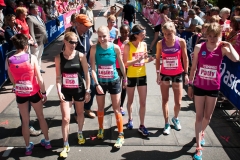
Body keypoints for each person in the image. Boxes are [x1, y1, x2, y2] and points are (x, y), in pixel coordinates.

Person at [187, 22, 239, 160]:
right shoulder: (199, 47)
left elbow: (236, 58)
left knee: (207, 117)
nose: (211, 39)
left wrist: (229, 45)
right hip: (199, 85)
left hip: (213, 87)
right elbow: (193, 68)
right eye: (209, 36)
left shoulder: (222, 49)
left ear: (219, 36)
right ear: (206, 35)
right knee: (199, 116)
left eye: (215, 36)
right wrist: (190, 85)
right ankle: (198, 148)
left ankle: (202, 132)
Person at [6, 34, 51, 155]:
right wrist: (44, 92)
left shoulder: (9, 59)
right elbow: (39, 78)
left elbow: (11, 79)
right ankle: (47, 142)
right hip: (34, 92)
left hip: (20, 94)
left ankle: (27, 147)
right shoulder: (32, 58)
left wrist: (17, 85)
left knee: (25, 121)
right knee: (40, 116)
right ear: (26, 46)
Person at [90, 26, 127, 148]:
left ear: (109, 36)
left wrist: (125, 78)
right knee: (100, 108)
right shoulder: (94, 48)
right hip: (101, 82)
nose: (101, 39)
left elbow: (121, 64)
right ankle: (101, 129)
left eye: (104, 36)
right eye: (99, 36)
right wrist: (97, 84)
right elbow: (93, 69)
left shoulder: (115, 47)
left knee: (116, 108)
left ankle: (120, 135)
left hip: (114, 81)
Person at [55, 32, 91, 158]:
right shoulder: (58, 57)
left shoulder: (80, 56)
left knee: (80, 113)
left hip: (79, 90)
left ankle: (80, 132)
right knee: (65, 118)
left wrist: (88, 90)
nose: (74, 45)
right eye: (71, 42)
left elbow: (87, 74)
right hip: (65, 91)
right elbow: (58, 78)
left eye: (76, 42)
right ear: (65, 41)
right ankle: (65, 144)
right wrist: (59, 91)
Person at [155, 22, 189, 135]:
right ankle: (166, 123)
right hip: (165, 74)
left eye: (169, 33)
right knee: (165, 100)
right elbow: (158, 59)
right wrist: (158, 74)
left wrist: (186, 73)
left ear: (174, 31)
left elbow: (185, 58)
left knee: (178, 102)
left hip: (177, 73)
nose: (167, 36)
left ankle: (175, 118)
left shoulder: (181, 42)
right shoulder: (160, 43)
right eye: (164, 34)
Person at [123, 24, 154, 136]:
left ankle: (142, 125)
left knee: (143, 102)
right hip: (131, 76)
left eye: (145, 33)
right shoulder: (128, 46)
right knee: (130, 100)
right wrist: (138, 59)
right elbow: (125, 63)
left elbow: (143, 60)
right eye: (142, 34)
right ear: (136, 35)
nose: (144, 35)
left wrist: (148, 60)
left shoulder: (144, 44)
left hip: (142, 75)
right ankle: (130, 119)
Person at [72, 14, 96, 118]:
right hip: (76, 67)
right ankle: (77, 113)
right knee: (78, 91)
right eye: (86, 25)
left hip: (87, 66)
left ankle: (87, 108)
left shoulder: (87, 32)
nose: (88, 27)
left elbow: (88, 45)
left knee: (93, 86)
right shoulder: (71, 36)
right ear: (78, 24)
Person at [113, 24, 130, 116]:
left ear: (129, 32)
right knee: (116, 86)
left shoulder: (130, 42)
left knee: (124, 87)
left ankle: (121, 106)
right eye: (122, 32)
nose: (124, 34)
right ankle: (116, 102)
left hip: (126, 68)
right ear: (120, 32)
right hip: (117, 67)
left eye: (126, 32)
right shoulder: (116, 41)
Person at [27, 4, 48, 73]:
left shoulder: (38, 17)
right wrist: (34, 42)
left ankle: (38, 68)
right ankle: (34, 70)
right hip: (36, 41)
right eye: (36, 9)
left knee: (39, 55)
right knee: (35, 56)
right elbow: (31, 31)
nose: (38, 10)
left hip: (42, 40)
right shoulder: (29, 18)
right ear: (32, 10)